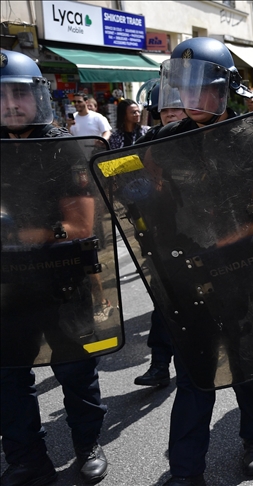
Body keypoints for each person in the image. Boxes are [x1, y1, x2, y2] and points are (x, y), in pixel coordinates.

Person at [148, 37, 253, 485]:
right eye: (183, 85)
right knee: (194, 375)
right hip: (189, 280)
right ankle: (185, 470)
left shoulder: (252, 140)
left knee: (248, 366)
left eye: (201, 85)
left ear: (224, 89)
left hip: (243, 276)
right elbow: (143, 206)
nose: (191, 95)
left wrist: (223, 245)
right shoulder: (161, 142)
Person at [0, 48, 109, 485]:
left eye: (20, 94)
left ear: (38, 97)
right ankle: (26, 458)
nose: (10, 104)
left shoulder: (61, 146)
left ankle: (88, 445)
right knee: (8, 378)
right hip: (8, 287)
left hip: (62, 281)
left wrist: (15, 233)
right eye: (2, 95)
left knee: (76, 371)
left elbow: (80, 225)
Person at [131, 78, 187, 388]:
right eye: (165, 109)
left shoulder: (202, 136)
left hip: (201, 233)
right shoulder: (146, 142)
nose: (171, 114)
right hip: (161, 233)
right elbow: (119, 176)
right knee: (164, 300)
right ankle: (160, 363)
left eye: (177, 108)